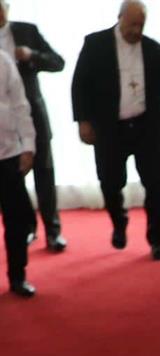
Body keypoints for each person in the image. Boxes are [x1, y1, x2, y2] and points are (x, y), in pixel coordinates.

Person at [71, 0, 160, 260]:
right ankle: (119, 221)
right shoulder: (95, 44)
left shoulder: (153, 49)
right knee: (110, 182)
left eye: (141, 25)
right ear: (120, 18)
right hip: (110, 129)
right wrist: (83, 121)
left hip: (147, 128)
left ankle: (158, 241)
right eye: (132, 24)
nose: (136, 30)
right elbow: (79, 84)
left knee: (156, 185)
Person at [0, 0, 66, 252]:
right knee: (13, 179)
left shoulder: (27, 31)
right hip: (4, 125)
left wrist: (32, 56)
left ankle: (53, 231)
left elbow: (58, 62)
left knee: (44, 171)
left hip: (32, 114)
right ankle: (27, 228)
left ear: (7, 8)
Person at [0, 49, 35, 297]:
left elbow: (21, 105)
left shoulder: (3, 60)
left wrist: (28, 146)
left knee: (18, 220)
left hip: (8, 153)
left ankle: (18, 276)